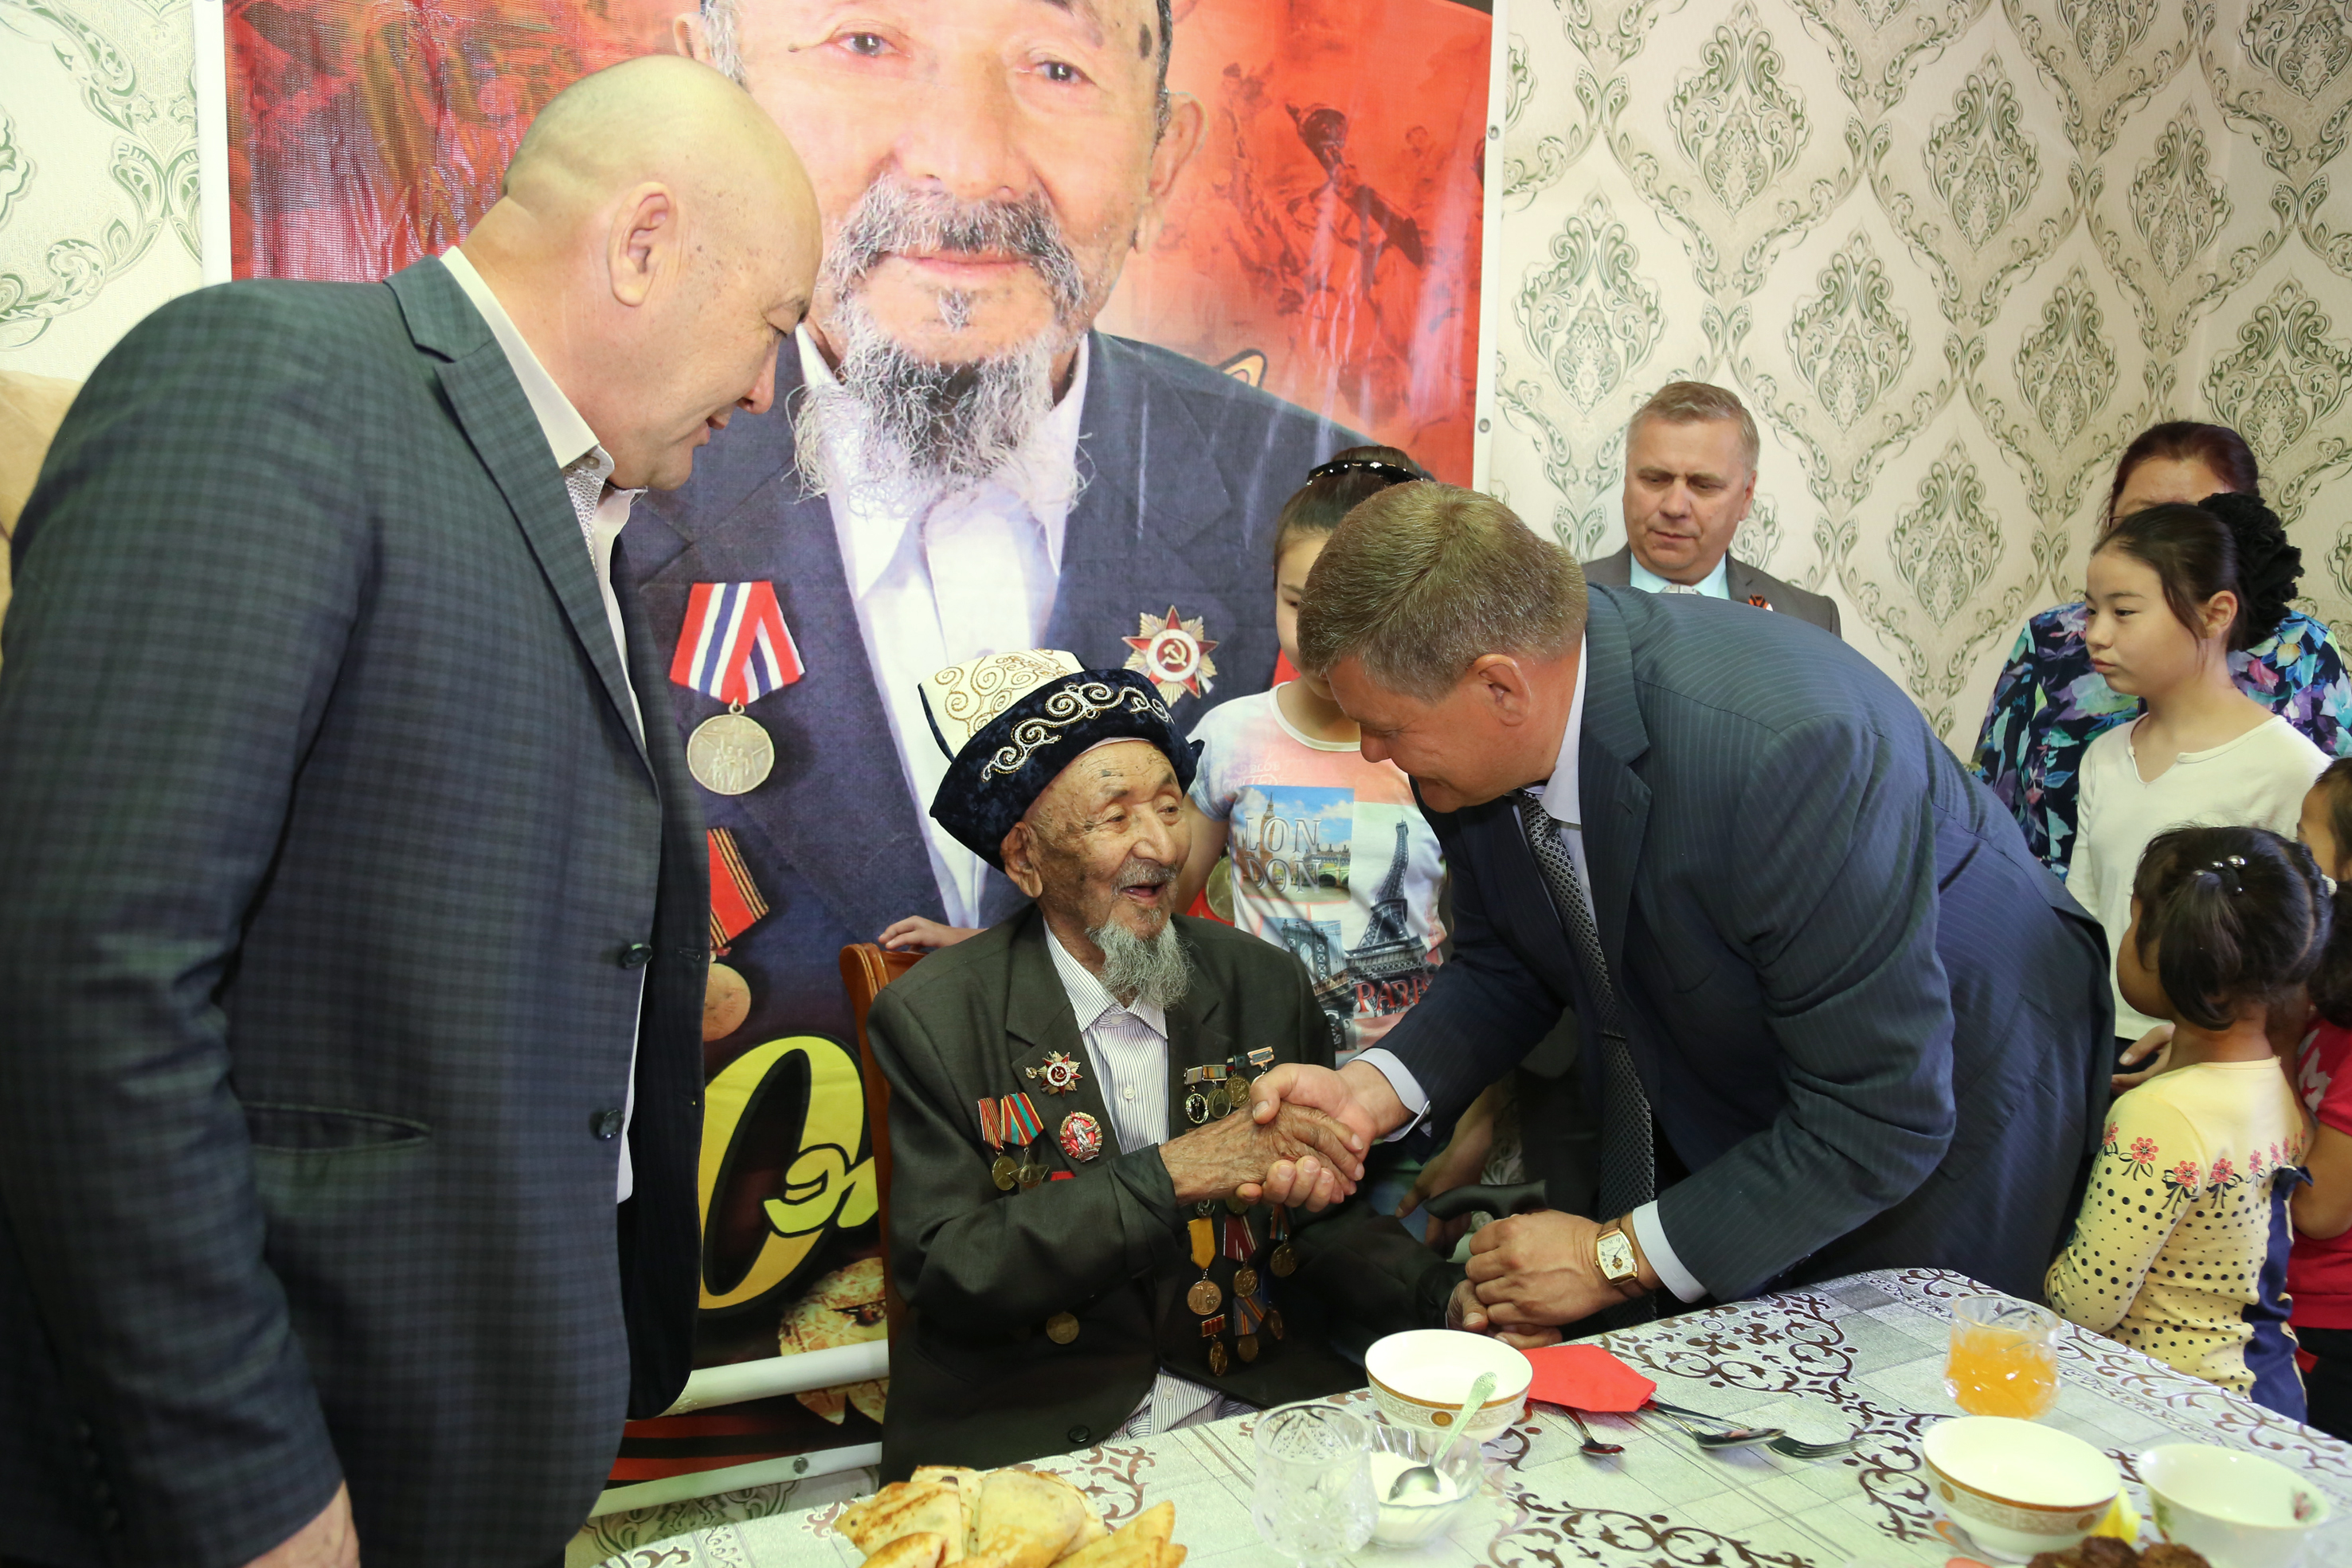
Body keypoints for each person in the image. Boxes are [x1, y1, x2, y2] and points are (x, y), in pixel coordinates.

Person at [0, 60, 820, 1568]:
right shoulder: (272, 386)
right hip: (291, 1452)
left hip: (464, 1435)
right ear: (643, 243)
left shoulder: (575, 512)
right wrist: (248, 1484)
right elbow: (85, 984)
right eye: (774, 323)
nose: (770, 388)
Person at [632, 0, 1362, 1053]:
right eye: (865, 45)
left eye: (1057, 68)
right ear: (715, 96)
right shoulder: (603, 496)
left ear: (1161, 156)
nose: (968, 168)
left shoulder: (1317, 507)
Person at [1235, 483, 2111, 1338]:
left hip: (1961, 1076)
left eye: (1385, 726)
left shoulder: (1786, 751)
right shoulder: (1472, 750)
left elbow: (1877, 1118)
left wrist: (1608, 1258)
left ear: (1500, 688)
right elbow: (1510, 962)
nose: (1372, 752)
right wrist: (1367, 1093)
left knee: (1889, 1373)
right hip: (1758, 1063)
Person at [864, 651, 1471, 1478]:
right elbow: (951, 1271)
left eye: (1168, 806)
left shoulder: (1261, 982)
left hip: (1249, 1405)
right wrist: (1176, 1171)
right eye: (1115, 817)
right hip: (1037, 1428)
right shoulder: (936, 1016)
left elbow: (1317, 1220)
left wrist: (1444, 1297)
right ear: (1025, 858)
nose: (1159, 845)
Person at [1973, 422, 2352, 875]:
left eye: (2192, 525)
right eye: (2142, 520)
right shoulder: (2052, 639)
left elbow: (2331, 840)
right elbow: (1988, 804)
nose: (2161, 542)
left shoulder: (2302, 653)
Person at [1175, 447, 1447, 1061]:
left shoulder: (1440, 744)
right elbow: (1157, 901)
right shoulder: (1229, 735)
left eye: (1350, 609)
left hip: (1413, 1078)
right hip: (1259, 1078)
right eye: (1298, 604)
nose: (1320, 636)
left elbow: (1494, 948)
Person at [2045, 827, 2315, 1420]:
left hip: (2177, 1406)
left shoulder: (2159, 1115)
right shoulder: (2272, 1080)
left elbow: (2086, 1304)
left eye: (2132, 919)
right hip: (2267, 1390)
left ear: (2169, 948)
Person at [2068, 497, 2327, 1054]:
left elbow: (2307, 955)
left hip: (2210, 1056)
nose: (2096, 634)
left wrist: (2200, 1041)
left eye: (2123, 611)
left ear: (2215, 613)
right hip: (2091, 1044)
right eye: (2091, 611)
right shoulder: (2104, 756)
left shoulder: (2290, 768)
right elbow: (2083, 917)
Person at [1581, 381, 1838, 635]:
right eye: (1655, 480)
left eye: (1703, 485)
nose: (1674, 507)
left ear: (1747, 495)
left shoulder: (1810, 620)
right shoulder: (1561, 603)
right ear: (1627, 480)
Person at [2290, 760, 2352, 1439]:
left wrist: (2258, 1072)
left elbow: (2319, 1209)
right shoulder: (2330, 990)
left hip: (2330, 1326)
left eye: (2307, 842)